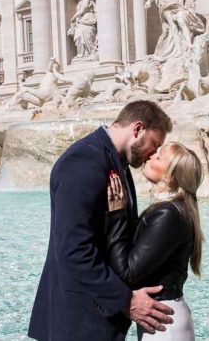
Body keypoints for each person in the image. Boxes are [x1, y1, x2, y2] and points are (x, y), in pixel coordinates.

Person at [28, 100, 175, 341]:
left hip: (96, 317)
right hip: (77, 322)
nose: (153, 153)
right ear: (137, 129)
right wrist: (126, 300)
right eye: (155, 144)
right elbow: (73, 250)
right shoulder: (84, 161)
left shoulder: (116, 161)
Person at [106, 142, 204, 340]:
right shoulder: (172, 209)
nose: (150, 157)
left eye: (158, 157)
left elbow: (127, 273)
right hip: (163, 318)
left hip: (163, 323)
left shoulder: (168, 214)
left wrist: (116, 214)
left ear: (170, 177)